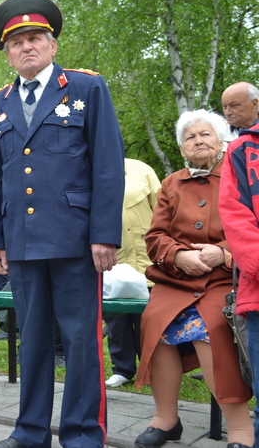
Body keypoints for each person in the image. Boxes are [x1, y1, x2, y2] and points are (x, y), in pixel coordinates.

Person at [0, 0, 125, 448]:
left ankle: (83, 434)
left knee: (80, 340)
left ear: (53, 44)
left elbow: (107, 164)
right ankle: (29, 433)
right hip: (21, 241)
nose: (27, 47)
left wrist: (104, 234)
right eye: (17, 42)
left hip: (75, 238)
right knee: (34, 340)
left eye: (35, 38)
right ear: (7, 53)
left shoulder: (85, 89)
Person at [133, 110, 253, 448]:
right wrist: (178, 256)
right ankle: (166, 419)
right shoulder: (171, 183)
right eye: (190, 137)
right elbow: (155, 236)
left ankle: (241, 430)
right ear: (183, 148)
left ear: (220, 142)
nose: (198, 141)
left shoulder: (238, 175)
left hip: (225, 279)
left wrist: (224, 252)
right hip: (176, 278)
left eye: (205, 135)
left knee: (210, 326)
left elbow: (252, 227)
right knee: (154, 322)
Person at [104, 158, 161, 388]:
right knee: (117, 319)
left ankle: (153, 369)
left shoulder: (142, 169)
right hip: (113, 256)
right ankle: (123, 369)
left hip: (145, 256)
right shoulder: (88, 167)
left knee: (147, 318)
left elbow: (161, 208)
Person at [220, 119, 259, 446]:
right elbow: (235, 215)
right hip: (254, 288)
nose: (198, 142)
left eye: (205, 134)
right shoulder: (244, 149)